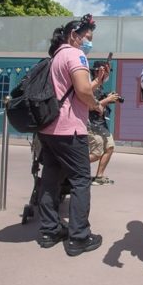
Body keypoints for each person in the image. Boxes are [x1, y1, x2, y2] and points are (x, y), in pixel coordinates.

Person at [36, 14, 105, 256]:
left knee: (50, 180)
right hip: (70, 129)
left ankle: (49, 231)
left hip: (49, 129)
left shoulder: (56, 56)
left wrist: (96, 81)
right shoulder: (76, 54)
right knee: (81, 180)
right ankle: (79, 237)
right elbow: (83, 91)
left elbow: (72, 92)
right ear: (74, 35)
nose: (89, 42)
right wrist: (96, 104)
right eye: (87, 37)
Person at [88, 60, 119, 186]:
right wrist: (108, 99)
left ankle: (99, 176)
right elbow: (90, 106)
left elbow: (99, 102)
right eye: (104, 71)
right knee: (96, 153)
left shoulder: (100, 87)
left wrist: (108, 98)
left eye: (107, 72)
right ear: (97, 72)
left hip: (101, 124)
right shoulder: (91, 86)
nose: (106, 74)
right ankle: (71, 168)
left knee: (110, 147)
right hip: (91, 124)